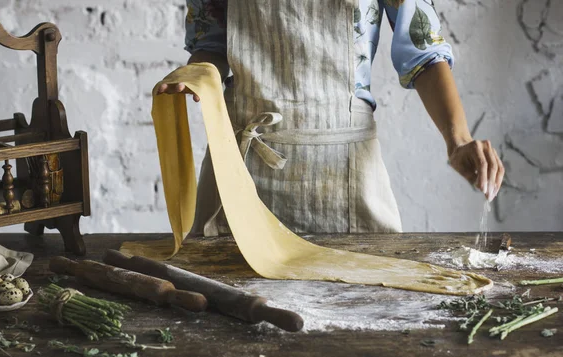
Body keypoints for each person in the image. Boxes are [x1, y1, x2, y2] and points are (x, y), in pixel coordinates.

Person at [154, 0, 505, 236]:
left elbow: (424, 52)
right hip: (240, 169)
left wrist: (458, 141)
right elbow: (213, 44)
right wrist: (198, 73)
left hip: (345, 176)